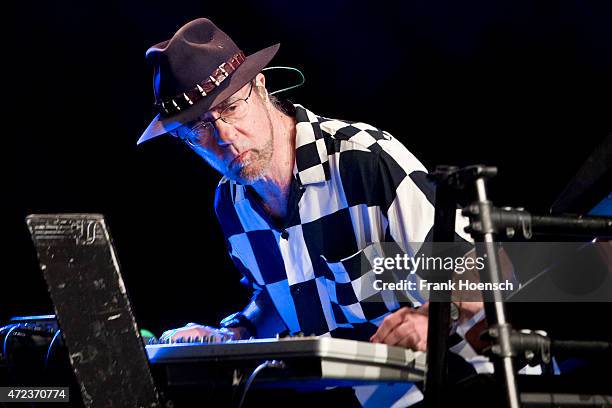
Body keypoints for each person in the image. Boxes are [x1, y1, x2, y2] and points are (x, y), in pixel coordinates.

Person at [138, 17, 487, 407]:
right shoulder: (231, 204)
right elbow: (282, 295)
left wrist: (433, 317)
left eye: (232, 107)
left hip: (459, 381)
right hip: (361, 397)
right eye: (199, 128)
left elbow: (491, 271)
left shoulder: (362, 162)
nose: (224, 136)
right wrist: (236, 331)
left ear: (260, 85)